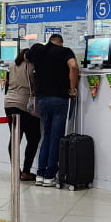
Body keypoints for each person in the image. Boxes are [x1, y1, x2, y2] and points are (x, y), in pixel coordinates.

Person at [31, 34, 80, 187]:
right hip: (59, 98)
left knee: (46, 136)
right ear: (61, 42)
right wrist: (72, 89)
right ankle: (50, 175)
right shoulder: (65, 51)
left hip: (43, 99)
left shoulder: (38, 51)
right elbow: (73, 66)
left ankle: (40, 173)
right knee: (56, 137)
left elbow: (25, 57)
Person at [3, 44, 43, 181]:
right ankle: (26, 171)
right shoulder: (32, 66)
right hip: (24, 104)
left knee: (15, 139)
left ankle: (16, 171)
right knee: (34, 138)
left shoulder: (12, 64)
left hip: (8, 103)